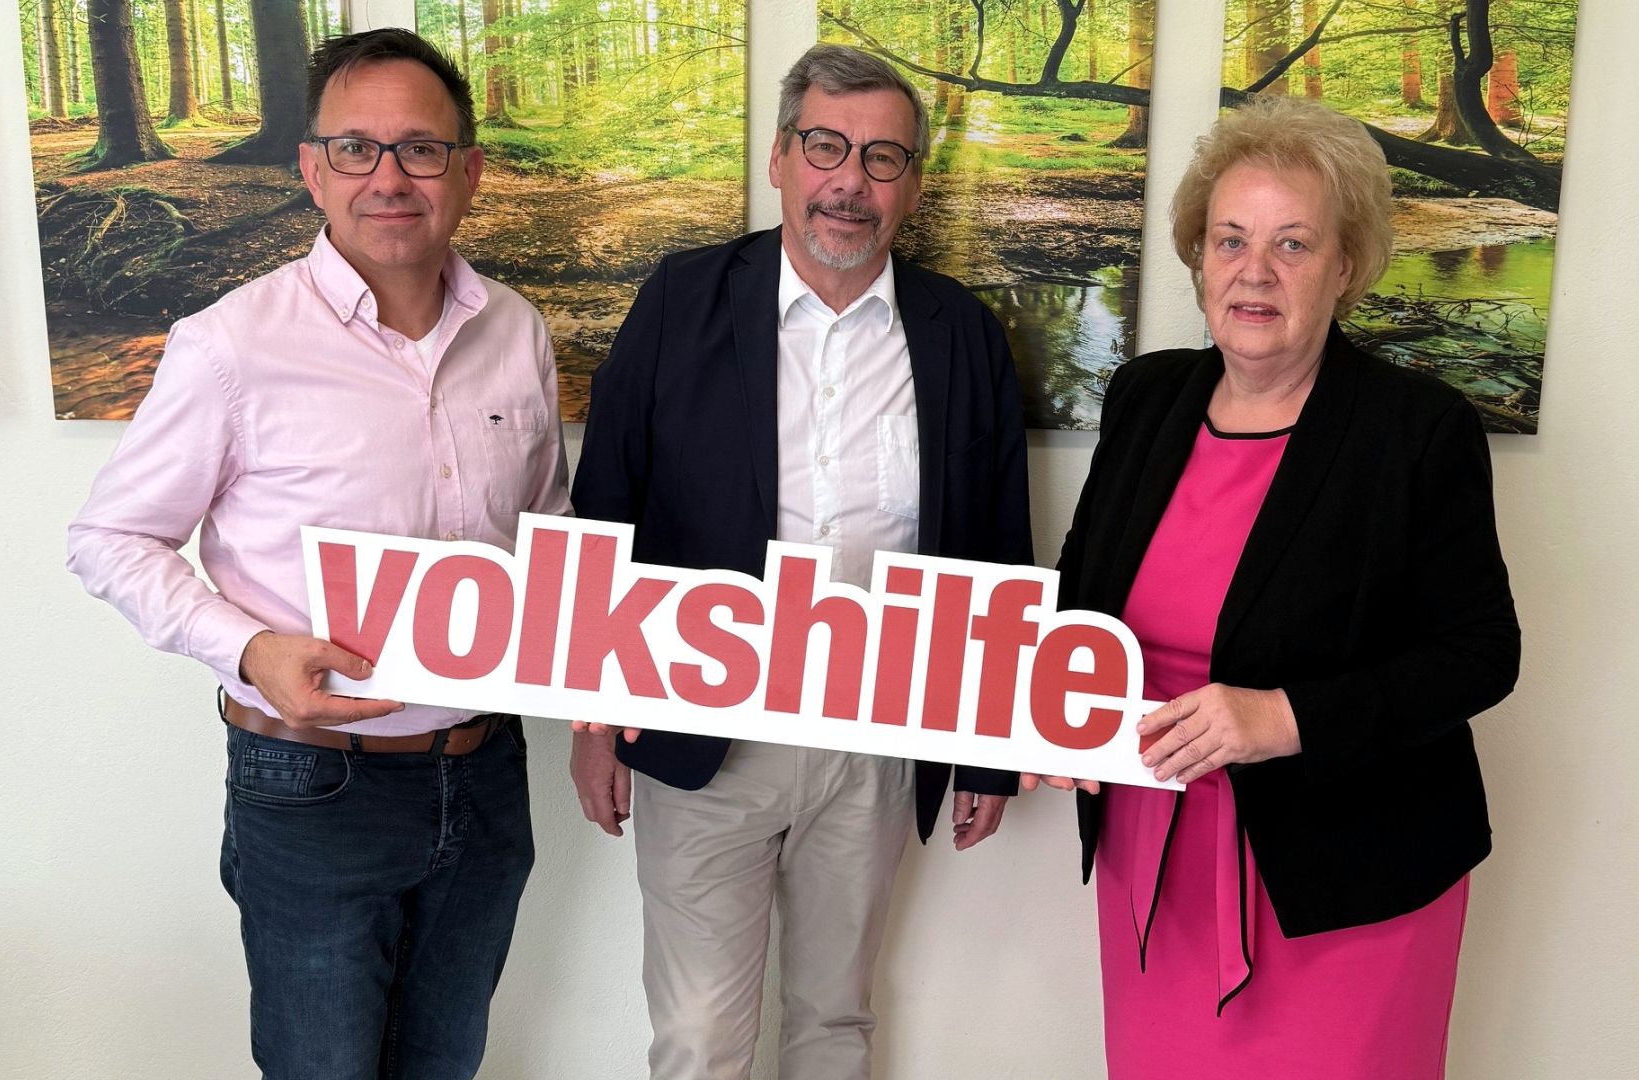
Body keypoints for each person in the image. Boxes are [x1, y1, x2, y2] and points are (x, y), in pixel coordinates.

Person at [65, 30, 570, 1080]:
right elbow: (110, 538)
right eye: (355, 148)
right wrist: (251, 650)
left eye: (421, 149)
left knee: (447, 1064)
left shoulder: (519, 332)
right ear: (311, 168)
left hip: (486, 775)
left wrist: (602, 654)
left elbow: (545, 526)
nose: (389, 178)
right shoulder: (231, 344)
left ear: (470, 170)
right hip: (310, 785)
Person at [1028, 95, 1521, 1077]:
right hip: (1152, 857)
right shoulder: (1146, 397)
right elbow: (1080, 587)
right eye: (1231, 240)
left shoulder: (1416, 430)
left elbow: (1479, 655)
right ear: (1199, 255)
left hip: (1345, 882)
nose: (1255, 271)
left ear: (1346, 266)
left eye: (1293, 244)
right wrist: (1049, 710)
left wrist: (1282, 717)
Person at [567, 43, 1033, 1080]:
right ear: (780, 157)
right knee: (700, 1039)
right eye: (826, 146)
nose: (849, 182)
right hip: (700, 720)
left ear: (912, 184)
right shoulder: (681, 300)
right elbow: (606, 506)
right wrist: (592, 722)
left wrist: (989, 747)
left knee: (833, 1022)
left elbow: (997, 540)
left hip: (879, 732)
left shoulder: (960, 334)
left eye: (881, 157)